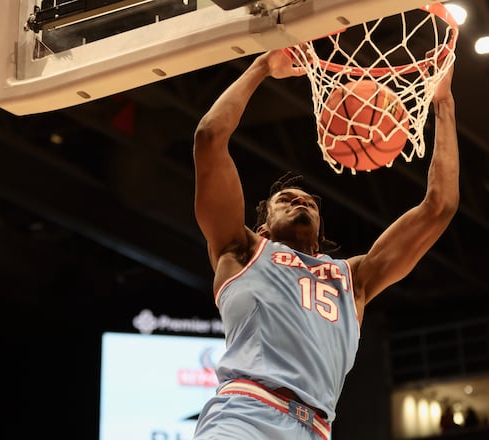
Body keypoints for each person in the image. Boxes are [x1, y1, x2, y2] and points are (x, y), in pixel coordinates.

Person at [191, 49, 460, 440]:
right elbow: (209, 138)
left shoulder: (353, 279)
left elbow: (440, 206)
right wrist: (263, 66)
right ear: (263, 227)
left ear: (319, 235)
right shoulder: (241, 251)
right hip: (244, 416)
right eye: (287, 199)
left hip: (314, 429)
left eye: (310, 203)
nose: (301, 200)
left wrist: (444, 103)